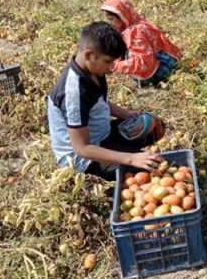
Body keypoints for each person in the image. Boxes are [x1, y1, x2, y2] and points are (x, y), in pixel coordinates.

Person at [47, 21, 165, 181]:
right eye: (108, 62)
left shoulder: (92, 69)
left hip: (102, 134)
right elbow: (81, 148)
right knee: (144, 173)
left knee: (153, 126)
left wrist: (126, 114)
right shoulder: (73, 93)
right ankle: (116, 165)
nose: (111, 68)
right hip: (85, 158)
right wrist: (131, 158)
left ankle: (124, 153)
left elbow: (99, 101)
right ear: (89, 55)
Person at [101, 0, 182, 87]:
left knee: (127, 54)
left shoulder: (135, 33)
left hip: (163, 67)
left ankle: (153, 82)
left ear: (122, 17)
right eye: (107, 19)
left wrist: (116, 66)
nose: (108, 23)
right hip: (162, 60)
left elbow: (144, 61)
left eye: (111, 19)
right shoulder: (134, 23)